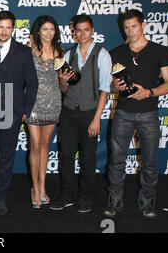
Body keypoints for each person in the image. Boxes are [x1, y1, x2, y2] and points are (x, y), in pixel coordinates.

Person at [103, 9, 168, 219]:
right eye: (126, 27)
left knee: (150, 161)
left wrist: (149, 92)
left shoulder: (160, 51)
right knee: (117, 160)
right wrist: (115, 87)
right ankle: (115, 200)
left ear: (143, 25)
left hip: (149, 113)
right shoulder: (116, 53)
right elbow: (110, 87)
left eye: (134, 26)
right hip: (123, 112)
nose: (130, 31)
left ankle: (147, 201)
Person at [0, 11, 38, 215]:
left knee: (6, 156)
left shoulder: (23, 52)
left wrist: (25, 111)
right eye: (0, 27)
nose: (3, 31)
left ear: (13, 28)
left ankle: (0, 196)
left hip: (11, 112)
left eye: (8, 27)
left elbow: (33, 84)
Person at [49, 14, 112, 213]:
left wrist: (96, 119)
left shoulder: (102, 54)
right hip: (68, 112)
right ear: (74, 32)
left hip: (89, 113)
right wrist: (62, 81)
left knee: (87, 158)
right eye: (79, 30)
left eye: (86, 29)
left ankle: (85, 197)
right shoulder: (68, 55)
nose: (82, 33)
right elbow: (64, 89)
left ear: (92, 30)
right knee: (66, 156)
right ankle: (66, 195)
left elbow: (105, 89)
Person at [25, 15, 63, 208]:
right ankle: (34, 188)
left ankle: (43, 186)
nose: (49, 33)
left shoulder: (60, 51)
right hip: (33, 104)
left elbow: (61, 83)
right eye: (45, 29)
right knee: (36, 145)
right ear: (38, 31)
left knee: (46, 144)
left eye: (52, 29)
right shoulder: (28, 49)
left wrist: (65, 80)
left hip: (54, 103)